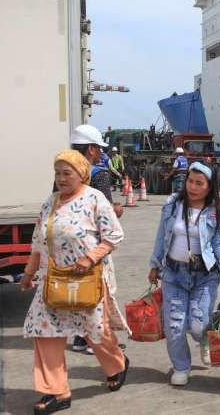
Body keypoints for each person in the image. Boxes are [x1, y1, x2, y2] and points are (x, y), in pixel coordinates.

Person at [20, 150, 130, 414]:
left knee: (95, 332)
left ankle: (117, 364)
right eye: (57, 173)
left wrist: (90, 258)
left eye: (66, 173)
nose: (60, 178)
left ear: (81, 174)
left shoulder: (95, 199)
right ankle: (56, 391)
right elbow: (38, 242)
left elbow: (114, 235)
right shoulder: (50, 202)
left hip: (86, 280)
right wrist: (28, 273)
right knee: (44, 333)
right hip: (52, 281)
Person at [148, 162, 220, 386]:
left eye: (199, 183)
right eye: (190, 181)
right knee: (174, 326)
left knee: (199, 324)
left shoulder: (216, 210)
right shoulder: (172, 204)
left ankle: (205, 341)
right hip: (173, 273)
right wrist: (154, 265)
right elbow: (161, 236)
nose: (192, 186)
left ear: (210, 187)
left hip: (205, 276)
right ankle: (181, 366)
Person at [70, 124, 124, 354]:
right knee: (101, 291)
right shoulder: (98, 175)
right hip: (94, 244)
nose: (101, 153)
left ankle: (80, 339)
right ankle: (97, 341)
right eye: (98, 148)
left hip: (71, 244)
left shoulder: (64, 173)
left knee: (80, 292)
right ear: (90, 149)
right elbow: (107, 213)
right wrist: (117, 210)